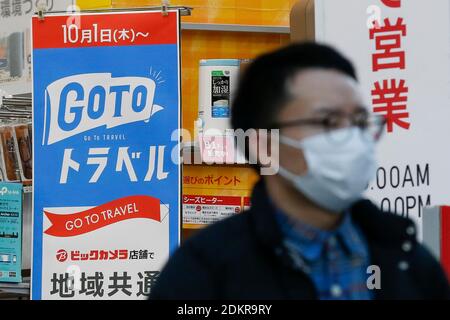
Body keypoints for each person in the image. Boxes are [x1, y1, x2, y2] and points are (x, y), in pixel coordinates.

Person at [150, 42, 450, 300]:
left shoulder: (406, 259)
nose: (352, 139)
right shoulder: (203, 272)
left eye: (359, 121)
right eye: (328, 122)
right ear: (264, 145)